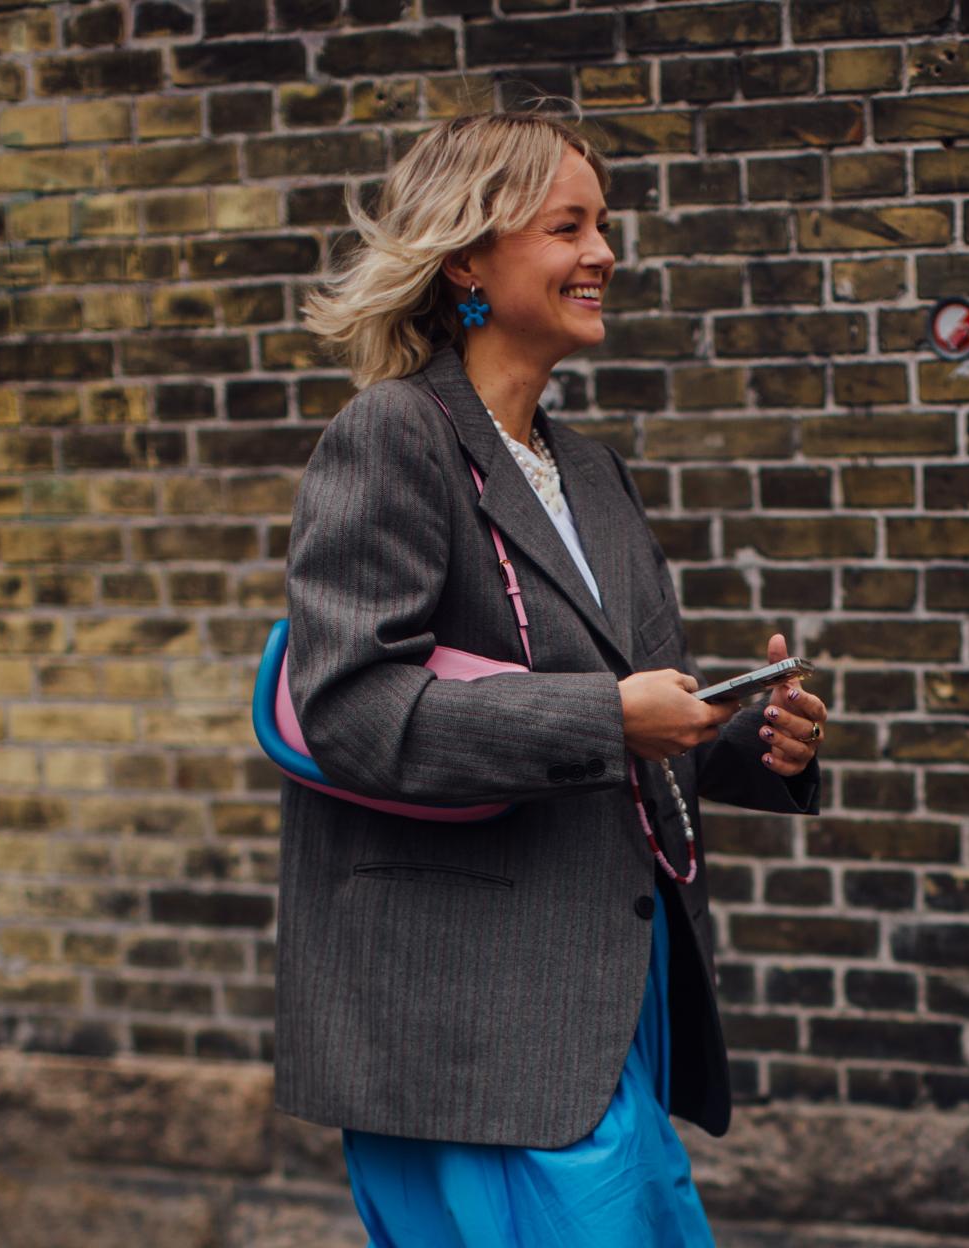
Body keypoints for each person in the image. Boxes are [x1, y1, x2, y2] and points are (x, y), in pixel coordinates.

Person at [276, 108, 828, 1248]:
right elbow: (351, 709)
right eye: (567, 225)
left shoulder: (591, 472)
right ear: (468, 257)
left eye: (605, 224)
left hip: (606, 995)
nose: (604, 253)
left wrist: (751, 739)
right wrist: (608, 718)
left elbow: (638, 715)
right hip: (470, 1018)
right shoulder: (394, 436)